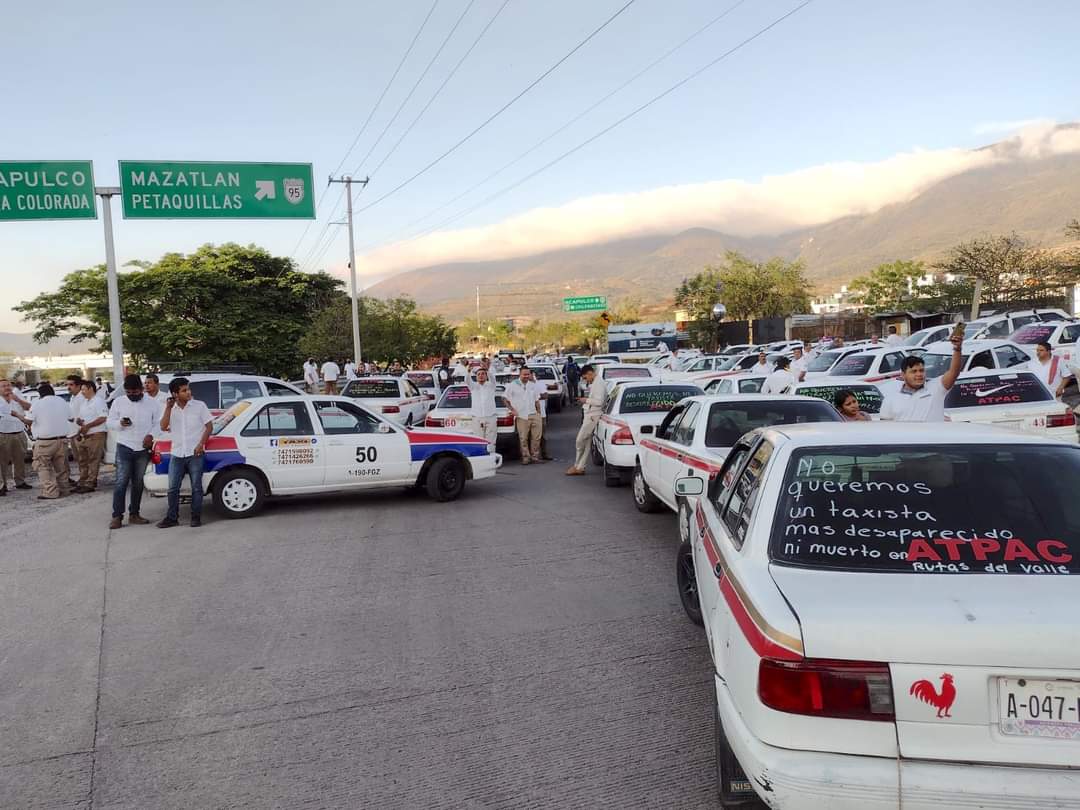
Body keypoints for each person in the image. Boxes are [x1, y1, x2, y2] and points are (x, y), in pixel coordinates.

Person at [106, 374, 162, 529]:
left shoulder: (152, 403)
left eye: (135, 392)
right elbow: (109, 422)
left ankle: (134, 514)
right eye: (129, 393)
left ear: (141, 389)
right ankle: (117, 516)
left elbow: (158, 424)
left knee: (138, 483)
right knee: (121, 482)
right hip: (125, 446)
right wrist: (120, 423)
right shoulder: (119, 402)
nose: (132, 396)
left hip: (143, 448)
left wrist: (151, 435)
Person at [157, 377, 214, 528]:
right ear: (175, 394)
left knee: (196, 487)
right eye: (184, 390)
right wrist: (168, 408)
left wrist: (201, 444)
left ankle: (195, 517)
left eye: (188, 389)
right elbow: (163, 427)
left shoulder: (199, 406)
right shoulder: (170, 409)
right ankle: (172, 518)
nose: (188, 392)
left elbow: (209, 426)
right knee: (172, 488)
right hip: (177, 453)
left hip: (195, 453)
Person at [879, 331, 963, 422]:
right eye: (913, 371)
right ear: (903, 375)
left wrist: (957, 349)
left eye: (921, 370)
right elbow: (886, 430)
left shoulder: (936, 388)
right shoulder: (890, 399)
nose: (919, 374)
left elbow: (954, 372)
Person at [27, 383, 73, 500]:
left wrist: (16, 414)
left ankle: (50, 492)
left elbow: (29, 421)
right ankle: (64, 489)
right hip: (62, 440)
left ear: (40, 394)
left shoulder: (37, 403)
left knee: (42, 466)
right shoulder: (62, 402)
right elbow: (71, 418)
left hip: (45, 442)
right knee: (61, 466)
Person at [73, 380, 109, 492]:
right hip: (85, 435)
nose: (82, 392)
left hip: (96, 434)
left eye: (83, 389)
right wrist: (79, 421)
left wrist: (89, 425)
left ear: (91, 389)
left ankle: (90, 483)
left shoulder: (98, 401)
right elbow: (82, 417)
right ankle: (83, 481)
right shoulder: (85, 402)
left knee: (93, 459)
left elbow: (103, 417)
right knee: (83, 460)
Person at [567, 365, 604, 476]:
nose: (585, 380)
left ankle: (578, 465)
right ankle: (580, 467)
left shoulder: (599, 384)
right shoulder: (596, 383)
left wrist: (585, 400)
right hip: (589, 414)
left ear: (589, 373)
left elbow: (599, 402)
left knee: (580, 440)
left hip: (593, 415)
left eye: (585, 377)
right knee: (586, 443)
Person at [0, 379, 33, 494]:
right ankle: (2, 486)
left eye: (8, 385)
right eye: (3, 386)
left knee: (19, 459)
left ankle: (20, 481)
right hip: (3, 434)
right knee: (2, 462)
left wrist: (18, 400)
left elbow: (30, 408)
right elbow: (7, 412)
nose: (7, 388)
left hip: (19, 432)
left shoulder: (16, 398)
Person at [504, 367, 541, 464]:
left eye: (528, 374)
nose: (526, 376)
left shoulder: (532, 385)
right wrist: (512, 410)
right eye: (524, 374)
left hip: (534, 414)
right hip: (521, 415)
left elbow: (537, 400)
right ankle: (526, 457)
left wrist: (539, 413)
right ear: (519, 374)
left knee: (536, 437)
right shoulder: (512, 385)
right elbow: (504, 399)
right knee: (523, 438)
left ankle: (535, 456)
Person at [467, 367, 499, 449]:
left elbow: (492, 379)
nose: (481, 376)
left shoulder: (491, 386)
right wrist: (468, 371)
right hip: (477, 417)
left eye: (483, 374)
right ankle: (481, 459)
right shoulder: (473, 387)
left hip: (490, 417)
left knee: (491, 441)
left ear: (486, 376)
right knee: (478, 440)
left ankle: (490, 459)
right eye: (478, 374)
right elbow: (467, 380)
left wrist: (487, 370)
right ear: (476, 377)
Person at [529, 369, 553, 461]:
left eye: (529, 374)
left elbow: (545, 395)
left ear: (532, 374)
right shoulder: (523, 385)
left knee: (542, 436)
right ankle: (531, 455)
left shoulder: (540, 384)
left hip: (541, 414)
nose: (527, 376)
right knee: (528, 436)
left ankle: (544, 454)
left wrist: (534, 397)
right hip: (527, 414)